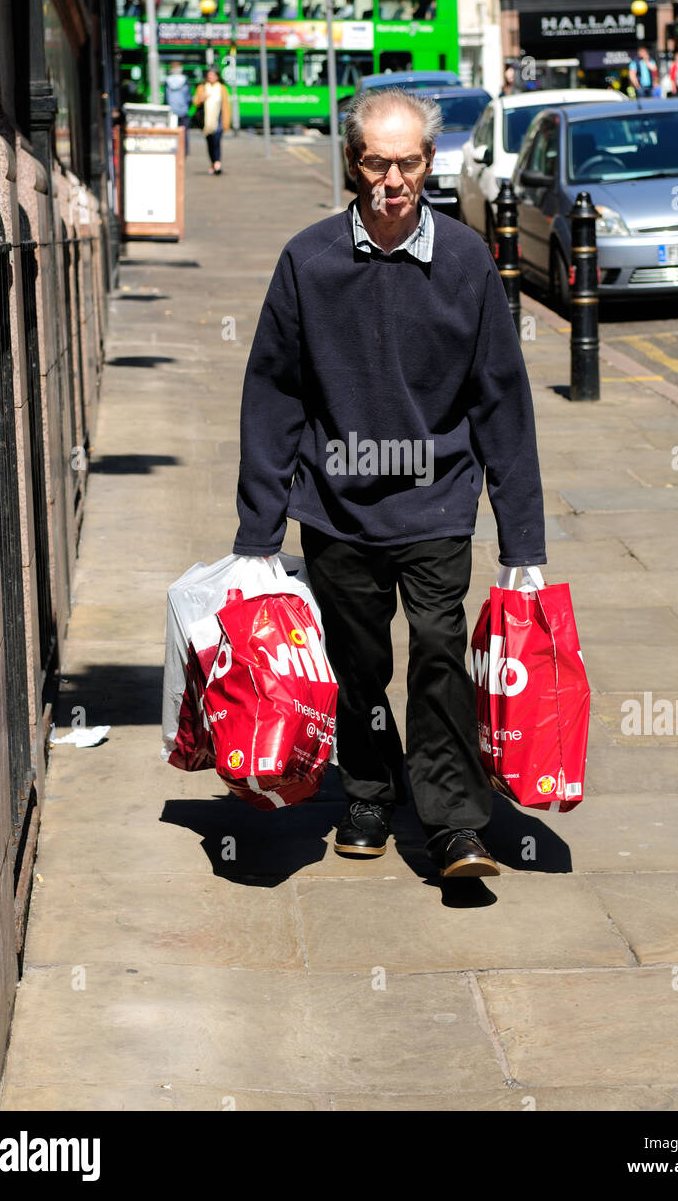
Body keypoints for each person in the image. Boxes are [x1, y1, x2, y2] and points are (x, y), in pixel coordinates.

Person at [234, 87, 546, 880]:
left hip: (436, 502)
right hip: (337, 507)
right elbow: (274, 395)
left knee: (440, 652)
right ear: (352, 163)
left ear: (429, 164)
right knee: (358, 663)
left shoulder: (468, 261)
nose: (393, 179)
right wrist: (256, 536)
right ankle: (369, 792)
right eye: (378, 161)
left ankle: (452, 825)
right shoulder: (308, 260)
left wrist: (523, 542)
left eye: (408, 162)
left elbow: (500, 401)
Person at [192, 68, 231, 174]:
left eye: (213, 76)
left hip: (218, 120)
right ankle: (213, 163)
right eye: (209, 76)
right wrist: (202, 98)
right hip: (206, 121)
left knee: (216, 141)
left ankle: (217, 163)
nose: (211, 78)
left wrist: (227, 120)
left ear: (217, 77)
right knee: (210, 143)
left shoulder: (222, 88)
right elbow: (195, 102)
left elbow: (226, 105)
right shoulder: (202, 88)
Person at [164, 60, 192, 154]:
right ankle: (184, 151)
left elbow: (166, 98)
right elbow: (189, 97)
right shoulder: (185, 80)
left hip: (171, 111)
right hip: (183, 110)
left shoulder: (167, 81)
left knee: (172, 132)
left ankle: (173, 151)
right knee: (184, 133)